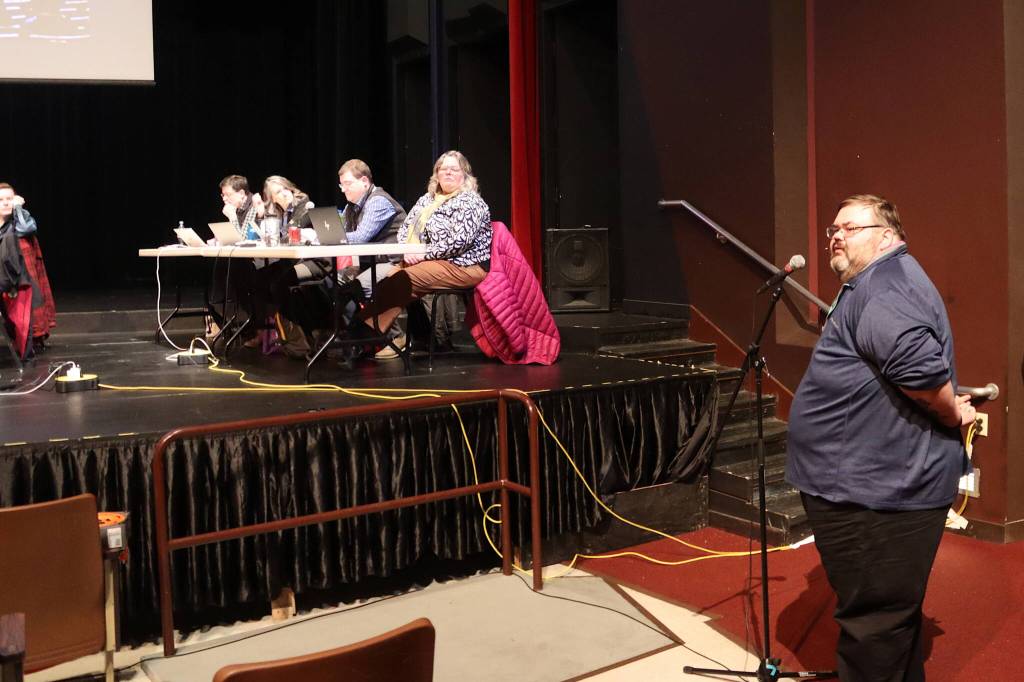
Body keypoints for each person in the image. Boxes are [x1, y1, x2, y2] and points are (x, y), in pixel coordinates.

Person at [785, 194, 975, 682]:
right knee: (885, 620)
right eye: (833, 228)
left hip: (879, 492)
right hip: (867, 485)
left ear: (887, 236)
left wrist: (953, 411)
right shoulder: (875, 283)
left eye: (850, 228)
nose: (836, 236)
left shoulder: (885, 288)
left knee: (875, 622)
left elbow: (923, 374)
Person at [356, 150, 492, 360]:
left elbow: (459, 242)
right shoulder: (427, 200)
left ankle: (363, 334)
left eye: (453, 169)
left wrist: (422, 253)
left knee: (403, 279)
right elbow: (405, 229)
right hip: (428, 261)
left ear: (464, 175)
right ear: (436, 174)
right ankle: (377, 335)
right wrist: (408, 249)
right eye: (442, 169)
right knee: (382, 277)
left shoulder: (471, 202)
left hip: (464, 265)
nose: (447, 173)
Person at [336, 159, 406, 340]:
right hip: (371, 263)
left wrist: (324, 238)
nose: (344, 189)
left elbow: (359, 237)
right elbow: (341, 232)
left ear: (365, 182)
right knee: (332, 283)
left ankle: (363, 340)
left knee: (354, 288)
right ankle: (350, 336)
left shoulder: (378, 201)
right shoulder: (351, 207)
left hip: (394, 262)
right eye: (341, 185)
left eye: (348, 184)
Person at [0, 184, 56, 354]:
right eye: (1, 200)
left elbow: (25, 229)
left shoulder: (21, 217)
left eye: (9, 199)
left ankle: (32, 338)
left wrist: (18, 208)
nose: (5, 203)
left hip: (20, 273)